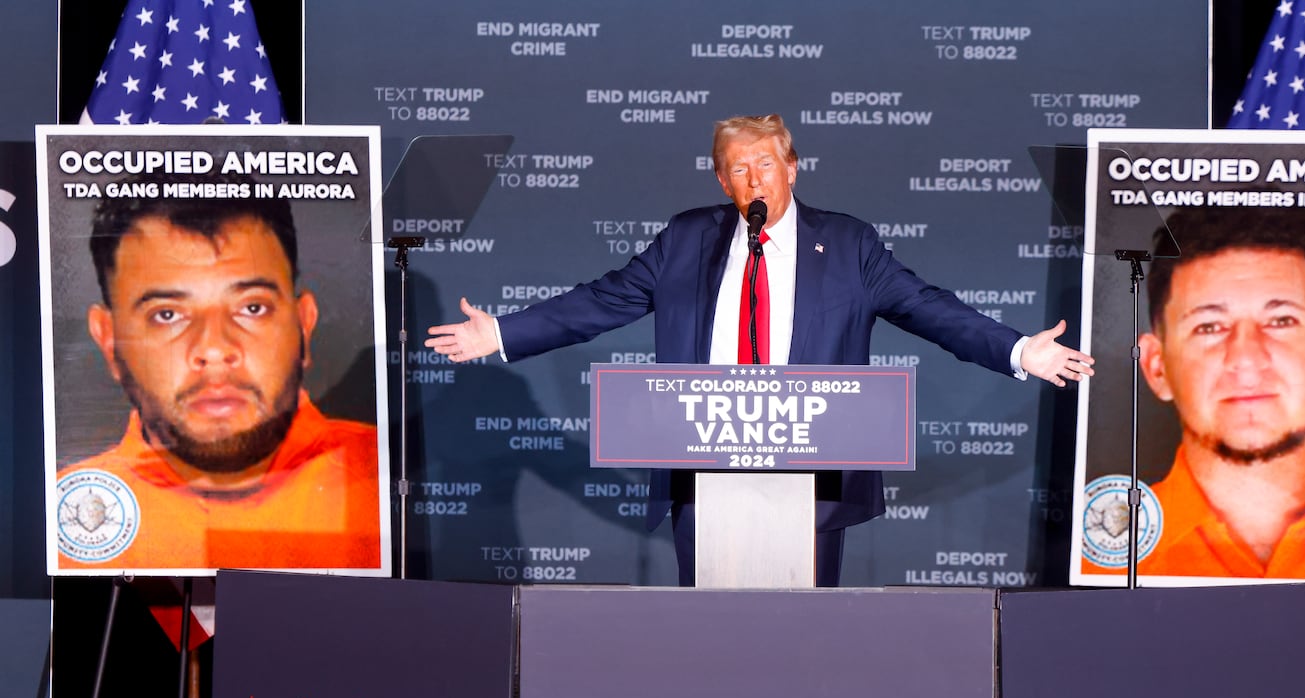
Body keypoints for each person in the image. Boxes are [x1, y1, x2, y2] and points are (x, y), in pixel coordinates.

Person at [427, 114, 1094, 586]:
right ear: (723, 183)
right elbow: (603, 301)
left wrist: (1016, 351)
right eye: (737, 169)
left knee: (803, 632)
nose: (754, 179)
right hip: (704, 457)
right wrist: (502, 333)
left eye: (765, 164)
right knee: (712, 628)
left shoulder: (851, 245)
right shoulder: (686, 240)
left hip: (812, 463)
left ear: (792, 169)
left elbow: (928, 308)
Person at [54, 171, 382, 571]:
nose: (213, 350)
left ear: (303, 324)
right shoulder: (65, 515)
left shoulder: (389, 480)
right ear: (108, 340)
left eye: (252, 307)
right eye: (167, 314)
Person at [1085, 203, 1305, 581]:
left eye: (1281, 320)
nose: (1247, 359)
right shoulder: (1100, 560)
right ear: (1157, 365)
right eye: (1209, 326)